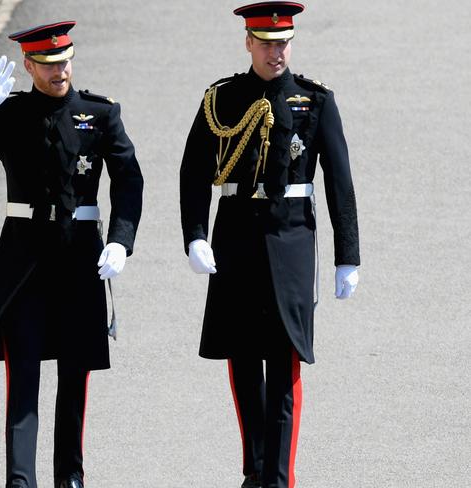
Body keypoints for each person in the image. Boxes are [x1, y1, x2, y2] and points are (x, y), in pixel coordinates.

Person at [0, 20, 143, 488]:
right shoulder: (11, 113)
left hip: (79, 256)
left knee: (75, 372)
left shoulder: (99, 112)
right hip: (25, 258)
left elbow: (129, 178)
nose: (60, 72)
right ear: (29, 65)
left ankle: (70, 475)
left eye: (65, 61)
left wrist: (120, 239)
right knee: (24, 373)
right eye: (49, 65)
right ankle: (20, 479)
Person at [179, 2, 360, 487]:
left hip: (291, 237)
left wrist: (348, 258)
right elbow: (194, 170)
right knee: (241, 356)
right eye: (266, 42)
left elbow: (340, 183)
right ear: (248, 43)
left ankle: (280, 478)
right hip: (236, 232)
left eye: (283, 42)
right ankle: (255, 469)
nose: (275, 51)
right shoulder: (222, 98)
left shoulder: (314, 100)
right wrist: (194, 234)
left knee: (283, 359)